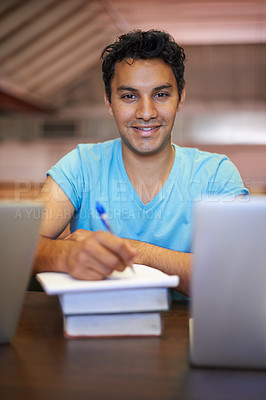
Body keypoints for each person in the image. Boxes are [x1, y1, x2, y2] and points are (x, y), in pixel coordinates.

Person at [34, 30, 248, 297]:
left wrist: (134, 252)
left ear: (180, 97)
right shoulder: (80, 166)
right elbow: (18, 246)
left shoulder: (217, 174)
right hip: (96, 327)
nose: (146, 113)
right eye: (129, 96)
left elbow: (236, 274)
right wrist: (65, 254)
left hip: (189, 334)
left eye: (160, 95)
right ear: (108, 101)